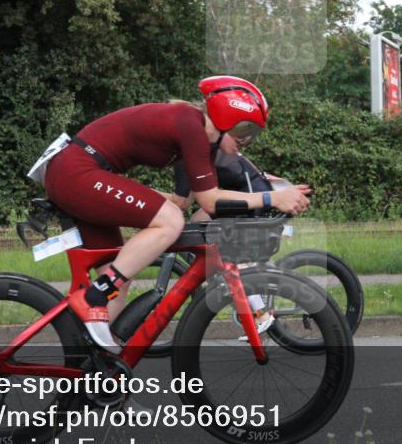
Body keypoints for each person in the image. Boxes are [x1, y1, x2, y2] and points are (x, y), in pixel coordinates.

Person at [40, 76, 311, 351]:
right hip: (78, 171)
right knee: (170, 221)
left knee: (119, 277)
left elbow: (200, 194)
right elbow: (210, 202)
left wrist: (270, 184)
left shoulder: (196, 134)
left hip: (81, 172)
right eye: (244, 129)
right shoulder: (190, 125)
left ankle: (92, 366)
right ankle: (93, 298)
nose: (246, 140)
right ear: (224, 118)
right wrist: (273, 198)